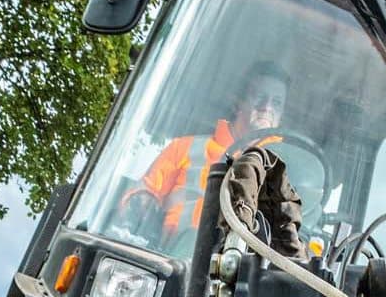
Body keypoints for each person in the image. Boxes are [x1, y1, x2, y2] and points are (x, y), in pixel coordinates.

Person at [122, 61, 288, 246]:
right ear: (238, 102)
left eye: (277, 102)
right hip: (170, 260)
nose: (267, 107)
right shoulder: (184, 148)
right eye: (260, 97)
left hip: (240, 270)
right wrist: (142, 202)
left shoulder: (284, 171)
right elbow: (140, 196)